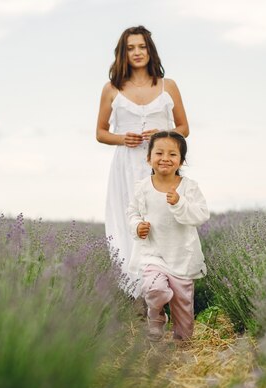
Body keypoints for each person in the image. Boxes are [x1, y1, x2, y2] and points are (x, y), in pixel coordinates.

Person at [96, 25, 190, 296]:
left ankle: (170, 293)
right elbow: (101, 133)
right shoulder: (111, 89)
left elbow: (184, 127)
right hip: (126, 167)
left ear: (150, 50)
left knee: (166, 223)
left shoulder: (167, 86)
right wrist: (123, 138)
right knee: (130, 224)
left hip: (162, 167)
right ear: (122, 53)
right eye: (130, 48)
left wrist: (165, 135)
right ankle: (138, 296)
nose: (137, 52)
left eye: (142, 47)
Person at [126, 131, 209, 342]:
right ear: (149, 158)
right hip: (153, 254)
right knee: (153, 288)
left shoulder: (188, 187)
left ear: (181, 160)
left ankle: (182, 341)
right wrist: (137, 226)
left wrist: (179, 203)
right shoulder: (142, 187)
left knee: (183, 305)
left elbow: (201, 215)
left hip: (182, 255)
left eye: (172, 154)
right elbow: (132, 213)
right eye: (159, 153)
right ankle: (156, 322)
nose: (165, 158)